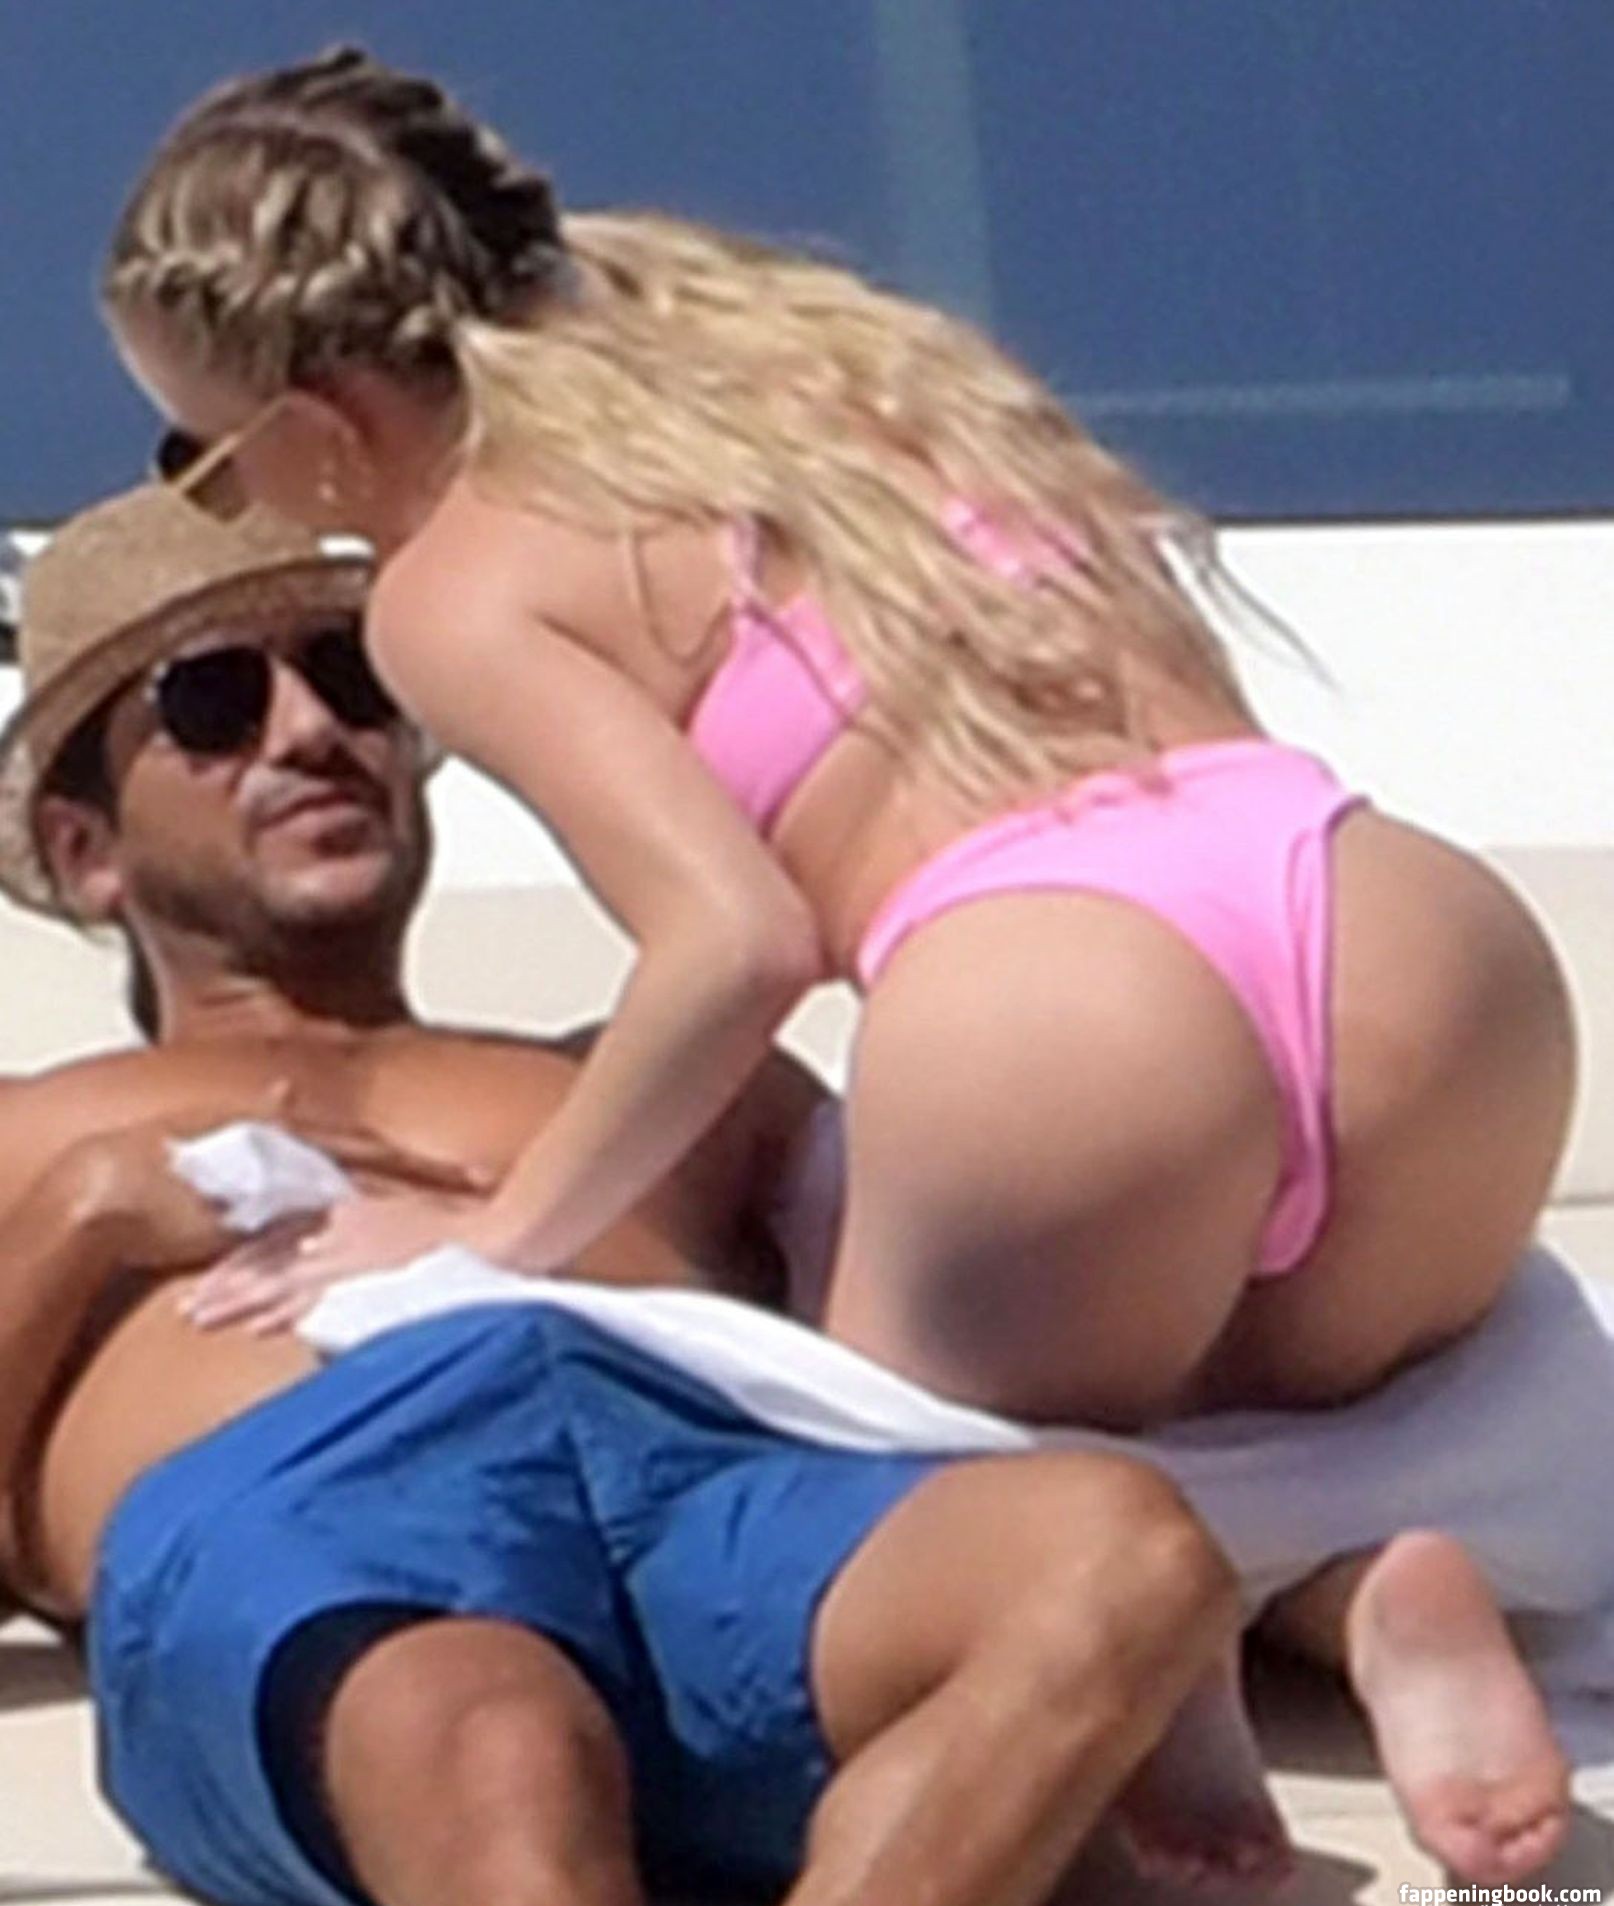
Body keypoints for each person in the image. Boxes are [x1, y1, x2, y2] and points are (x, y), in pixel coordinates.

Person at [103, 48, 1574, 1447]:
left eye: (208, 463)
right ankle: (1388, 1601)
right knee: (1341, 1461)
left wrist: (493, 1237)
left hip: (1051, 999)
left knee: (954, 1554)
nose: (241, 508)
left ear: (324, 420)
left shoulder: (453, 586)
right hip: (1400, 934)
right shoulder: (825, 371)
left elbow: (734, 944)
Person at [0, 482, 1234, 1906]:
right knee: (500, 1750)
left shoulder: (659, 1085)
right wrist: (80, 1215)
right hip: (319, 1518)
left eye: (351, 678)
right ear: (86, 852)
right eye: (213, 703)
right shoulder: (34, 1129)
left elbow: (1040, 1298)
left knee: (1121, 1558)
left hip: (705, 1487)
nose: (310, 730)